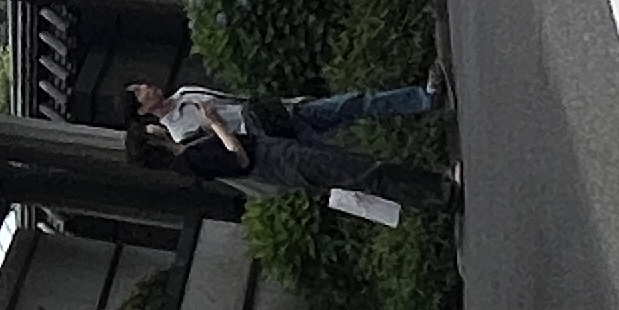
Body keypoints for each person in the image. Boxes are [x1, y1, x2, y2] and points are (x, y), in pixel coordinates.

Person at [128, 80, 455, 211]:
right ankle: (437, 192)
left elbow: (235, 100)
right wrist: (216, 123)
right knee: (354, 167)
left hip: (276, 116)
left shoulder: (186, 92)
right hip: (268, 143)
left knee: (351, 105)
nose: (148, 86)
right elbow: (234, 158)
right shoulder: (182, 138)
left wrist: (287, 103)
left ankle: (423, 100)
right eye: (141, 92)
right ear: (144, 111)